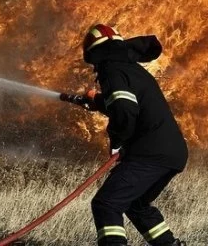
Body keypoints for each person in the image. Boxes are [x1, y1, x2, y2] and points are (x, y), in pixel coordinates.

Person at [80, 23, 189, 246]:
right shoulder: (131, 69)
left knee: (107, 204)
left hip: (150, 153)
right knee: (136, 205)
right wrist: (97, 101)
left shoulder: (111, 69)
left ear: (95, 53)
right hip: (172, 152)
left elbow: (124, 109)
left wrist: (117, 141)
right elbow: (127, 104)